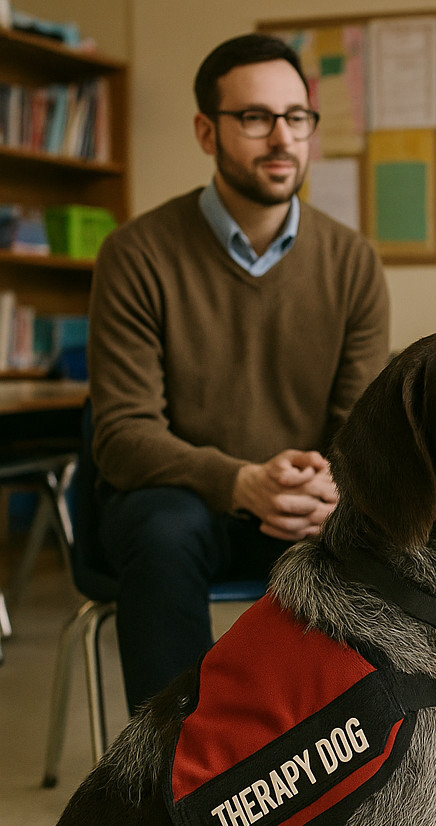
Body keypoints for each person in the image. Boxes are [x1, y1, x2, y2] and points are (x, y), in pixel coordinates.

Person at [89, 34, 389, 714]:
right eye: (255, 118)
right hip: (181, 505)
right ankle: (172, 775)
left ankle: (341, 769)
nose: (282, 138)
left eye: (296, 118)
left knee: (385, 525)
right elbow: (122, 435)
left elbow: (360, 429)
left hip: (304, 505)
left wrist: (325, 480)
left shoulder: (353, 263)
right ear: (206, 131)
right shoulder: (136, 255)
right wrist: (240, 482)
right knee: (164, 525)